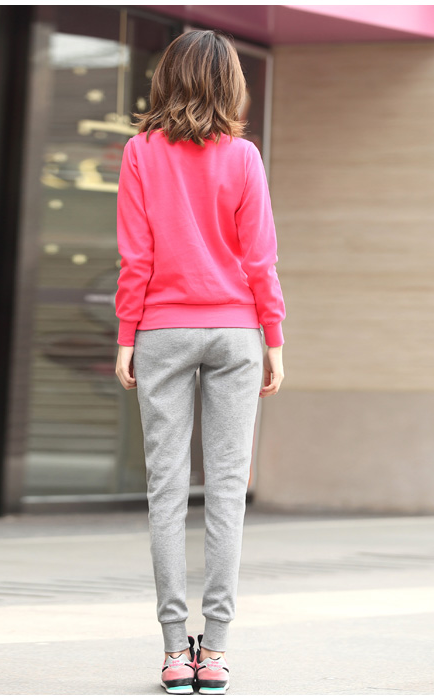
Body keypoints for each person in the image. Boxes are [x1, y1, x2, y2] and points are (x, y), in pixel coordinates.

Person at [114, 28, 286, 695]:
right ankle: (213, 652)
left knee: (165, 492)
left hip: (162, 330)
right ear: (231, 85)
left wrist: (127, 333)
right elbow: (260, 256)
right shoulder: (243, 156)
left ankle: (171, 653)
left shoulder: (140, 152)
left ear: (167, 78)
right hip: (237, 331)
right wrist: (273, 337)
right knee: (227, 492)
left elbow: (137, 255)